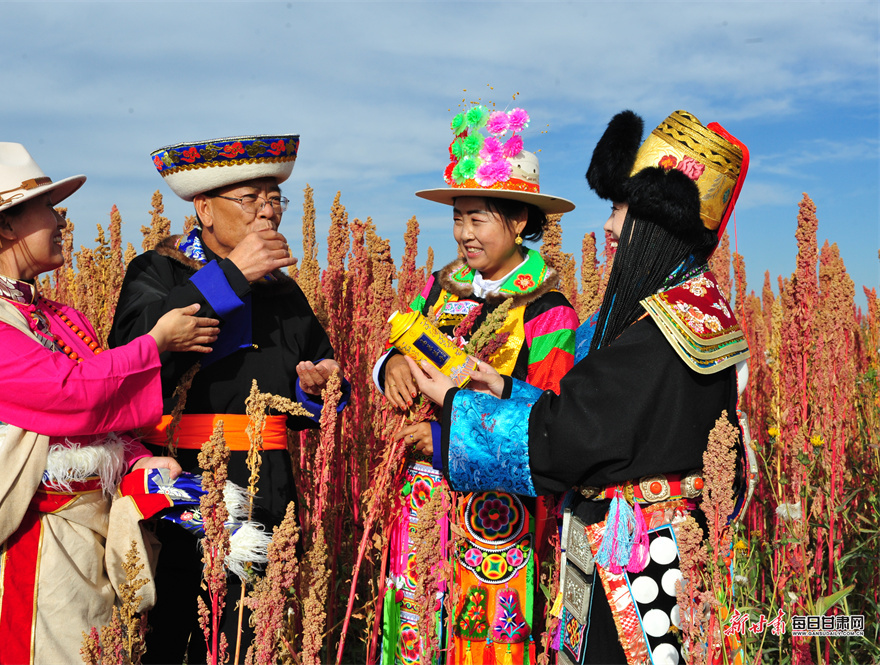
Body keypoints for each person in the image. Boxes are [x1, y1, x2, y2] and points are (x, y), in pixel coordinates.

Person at [406, 110, 753, 665]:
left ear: (657, 226)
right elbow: (590, 413)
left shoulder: (658, 334)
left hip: (640, 568)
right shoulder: (689, 309)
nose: (609, 228)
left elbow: (569, 439)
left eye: (620, 210)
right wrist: (503, 385)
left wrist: (456, 406)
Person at [0, 142, 218, 663]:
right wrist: (154, 344)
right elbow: (68, 396)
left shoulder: (58, 317)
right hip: (15, 555)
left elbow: (99, 417)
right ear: (6, 226)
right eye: (46, 208)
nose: (60, 219)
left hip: (75, 552)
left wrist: (136, 457)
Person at [108, 134, 348, 662]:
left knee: (255, 632)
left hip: (272, 484)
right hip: (185, 480)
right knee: (179, 629)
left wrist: (323, 384)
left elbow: (321, 371)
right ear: (204, 209)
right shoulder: (158, 270)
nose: (269, 213)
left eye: (274, 199)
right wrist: (234, 274)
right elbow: (132, 349)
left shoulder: (284, 291)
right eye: (251, 199)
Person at [374, 104, 579, 664]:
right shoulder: (441, 288)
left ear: (518, 223)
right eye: (459, 217)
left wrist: (445, 440)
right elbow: (406, 341)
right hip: (423, 494)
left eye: (479, 218)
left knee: (482, 641)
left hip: (497, 512)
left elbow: (548, 417)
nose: (464, 234)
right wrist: (390, 364)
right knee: (414, 630)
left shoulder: (547, 310)